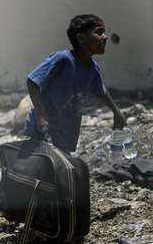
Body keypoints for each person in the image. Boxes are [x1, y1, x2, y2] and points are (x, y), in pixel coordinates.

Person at [24, 14, 126, 154]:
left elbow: (101, 91)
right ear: (81, 38)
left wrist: (116, 112)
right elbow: (32, 81)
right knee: (40, 163)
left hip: (66, 129)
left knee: (61, 166)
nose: (105, 37)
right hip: (43, 128)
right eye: (99, 32)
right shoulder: (63, 59)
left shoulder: (92, 68)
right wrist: (41, 116)